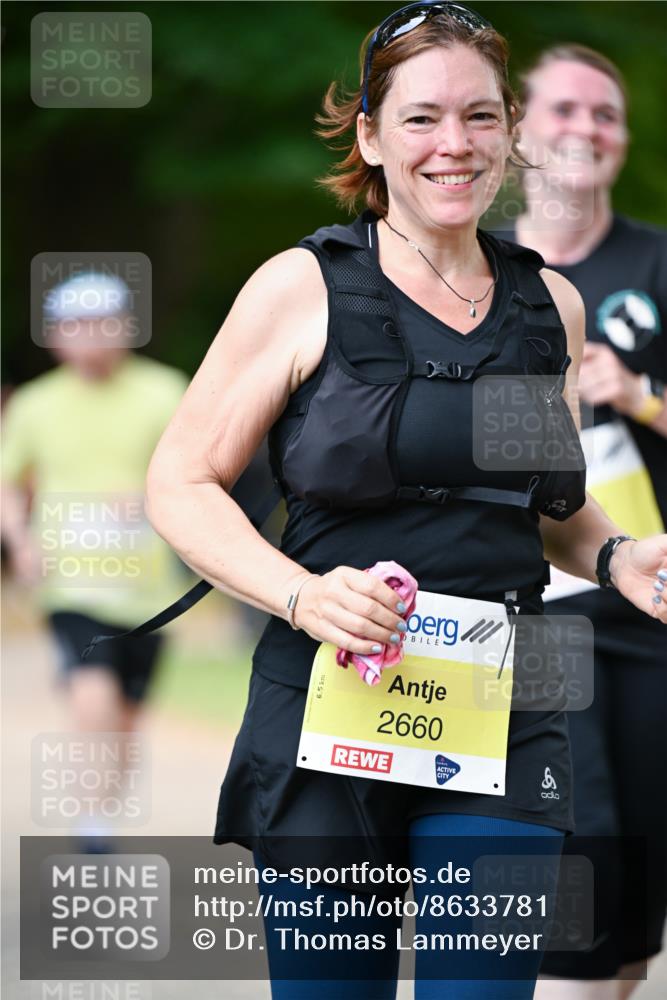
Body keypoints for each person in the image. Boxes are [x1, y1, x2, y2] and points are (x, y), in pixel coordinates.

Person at [144, 5, 667, 997]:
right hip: (327, 709)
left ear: (509, 132)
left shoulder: (549, 306)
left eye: (479, 116)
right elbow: (180, 481)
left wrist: (614, 554)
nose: (453, 143)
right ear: (372, 137)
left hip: (499, 710)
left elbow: (541, 506)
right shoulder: (301, 287)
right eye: (421, 118)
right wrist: (301, 594)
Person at [499, 45, 666, 999]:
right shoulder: (477, 267)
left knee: (632, 906)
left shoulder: (655, 262)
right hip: (522, 609)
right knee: (568, 843)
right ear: (519, 128)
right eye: (563, 108)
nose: (584, 127)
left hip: (647, 604)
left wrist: (638, 396)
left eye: (604, 113)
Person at [1, 271, 189, 846]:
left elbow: (197, 472)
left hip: (148, 588)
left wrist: (148, 497)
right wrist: (20, 542)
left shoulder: (165, 391)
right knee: (92, 690)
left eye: (102, 324)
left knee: (125, 717)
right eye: (75, 326)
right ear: (55, 335)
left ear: (125, 328)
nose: (89, 336)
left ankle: (102, 806)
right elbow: (8, 481)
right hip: (70, 582)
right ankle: (91, 817)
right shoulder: (35, 403)